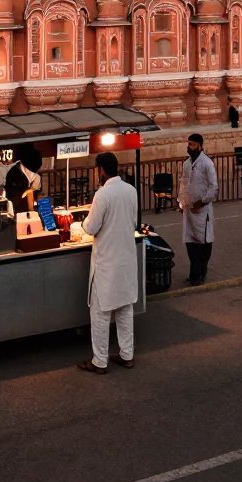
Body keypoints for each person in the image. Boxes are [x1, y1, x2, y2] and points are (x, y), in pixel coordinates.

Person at [78, 151, 139, 374]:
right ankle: (127, 354)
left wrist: (83, 222)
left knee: (101, 313)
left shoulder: (102, 195)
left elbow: (91, 227)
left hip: (107, 263)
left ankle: (100, 360)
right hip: (126, 260)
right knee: (124, 310)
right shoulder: (131, 191)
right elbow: (133, 222)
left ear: (101, 170)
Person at [178, 133, 218, 285]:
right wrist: (181, 203)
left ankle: (202, 271)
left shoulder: (207, 163)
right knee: (190, 241)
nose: (189, 147)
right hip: (189, 210)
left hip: (202, 211)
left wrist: (202, 202)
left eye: (193, 144)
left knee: (204, 241)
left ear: (200, 146)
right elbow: (183, 184)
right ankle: (194, 273)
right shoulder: (187, 163)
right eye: (188, 144)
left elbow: (213, 186)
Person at [2, 147, 43, 218]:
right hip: (18, 209)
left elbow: (30, 191)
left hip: (20, 208)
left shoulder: (21, 170)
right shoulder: (15, 173)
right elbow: (23, 194)